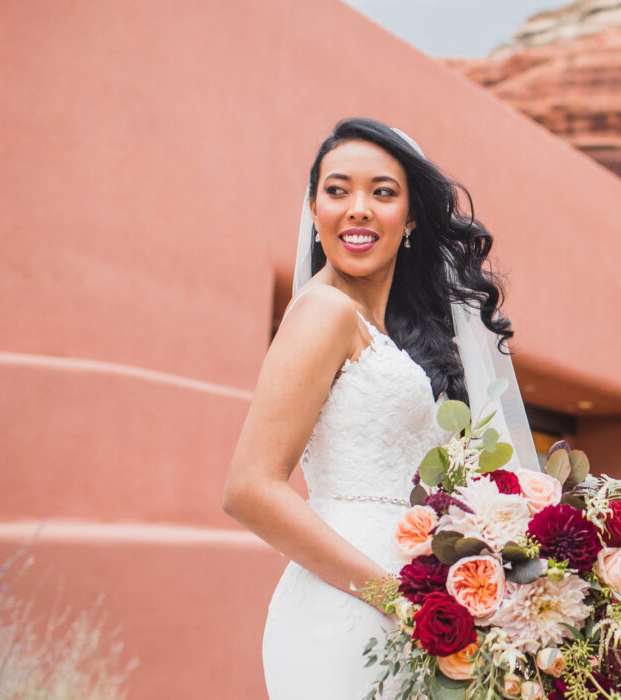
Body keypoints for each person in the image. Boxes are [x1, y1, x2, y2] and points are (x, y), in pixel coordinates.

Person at [222, 117, 521, 698]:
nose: (357, 208)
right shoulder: (323, 313)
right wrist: (399, 600)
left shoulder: (390, 335)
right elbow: (249, 488)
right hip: (350, 611)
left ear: (410, 218)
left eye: (382, 192)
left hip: (409, 607)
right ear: (314, 208)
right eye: (337, 190)